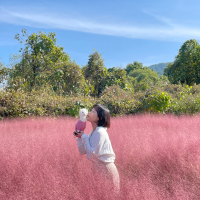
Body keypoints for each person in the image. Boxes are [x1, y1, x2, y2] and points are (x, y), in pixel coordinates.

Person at [74, 104, 120, 196]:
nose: (89, 113)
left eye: (93, 111)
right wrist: (80, 137)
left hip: (106, 170)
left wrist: (84, 137)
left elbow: (92, 155)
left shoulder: (100, 132)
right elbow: (82, 151)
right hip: (97, 169)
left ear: (99, 118)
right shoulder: (93, 132)